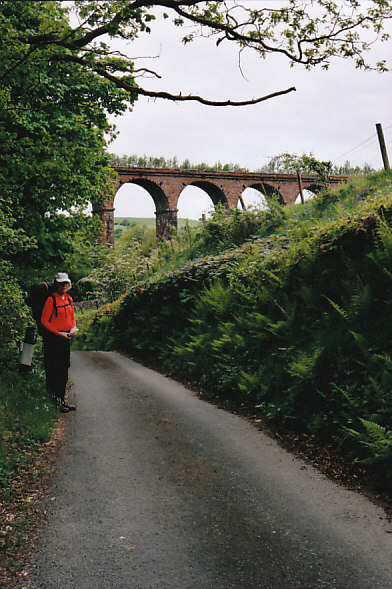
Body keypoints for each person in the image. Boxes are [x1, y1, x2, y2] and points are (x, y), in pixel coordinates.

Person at [41, 272, 78, 413]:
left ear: (68, 284)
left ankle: (62, 400)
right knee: (54, 369)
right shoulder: (51, 300)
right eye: (61, 283)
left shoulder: (69, 299)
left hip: (65, 339)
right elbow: (44, 322)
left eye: (65, 283)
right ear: (56, 284)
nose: (63, 286)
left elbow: (72, 318)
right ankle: (55, 401)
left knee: (64, 369)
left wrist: (73, 328)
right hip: (54, 339)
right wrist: (59, 334)